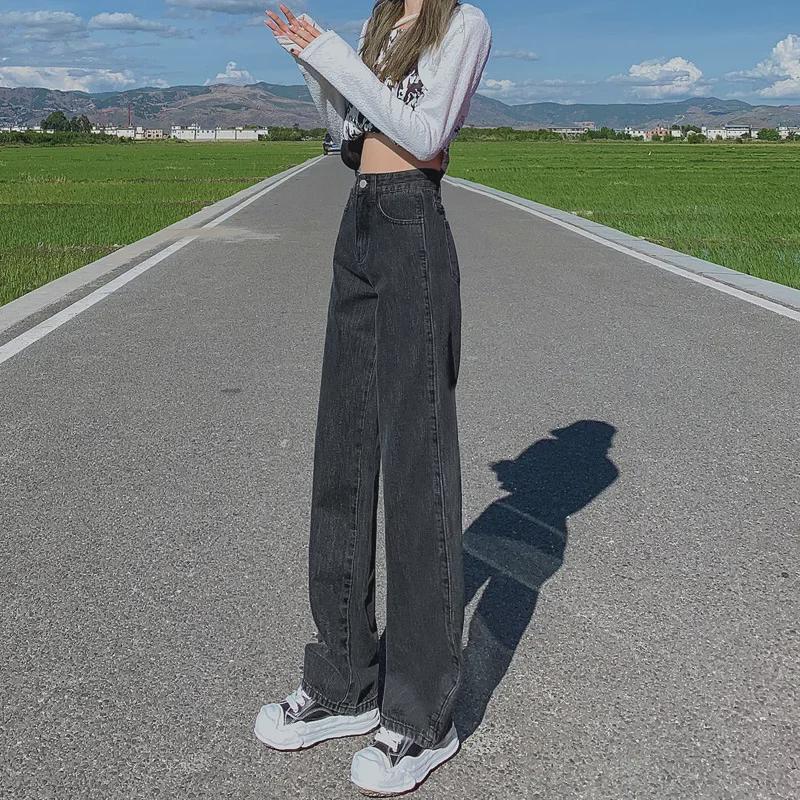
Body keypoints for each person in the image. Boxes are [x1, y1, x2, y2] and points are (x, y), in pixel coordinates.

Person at [257, 1, 491, 795]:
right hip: (358, 219)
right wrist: (315, 69)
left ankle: (422, 717)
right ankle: (343, 681)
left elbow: (424, 135)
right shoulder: (380, 21)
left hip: (411, 221)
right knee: (342, 457)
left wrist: (333, 54)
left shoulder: (464, 24)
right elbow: (348, 133)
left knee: (416, 469)